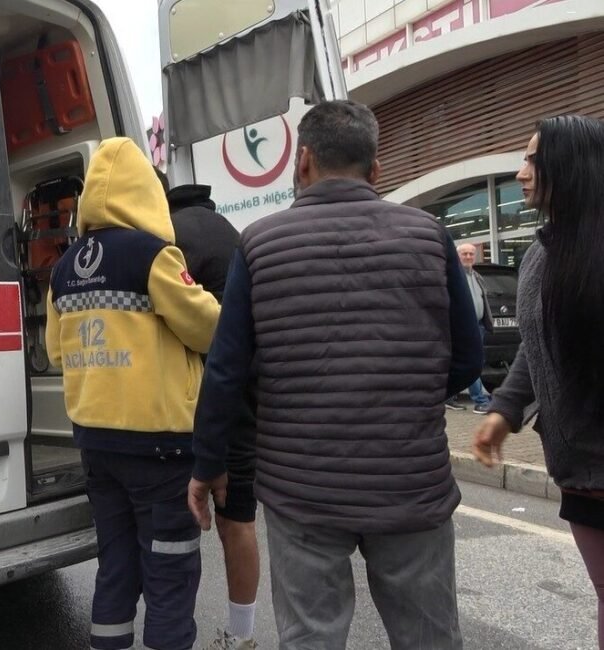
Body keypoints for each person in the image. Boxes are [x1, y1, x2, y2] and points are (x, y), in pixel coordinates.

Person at [189, 100, 483, 649]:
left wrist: (208, 465)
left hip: (302, 489)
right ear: (375, 170)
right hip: (410, 484)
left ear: (302, 162)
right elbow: (467, 357)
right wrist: (403, 394)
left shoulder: (260, 244)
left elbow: (227, 372)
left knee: (310, 637)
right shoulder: (428, 235)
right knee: (429, 639)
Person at [45, 137, 220, 650]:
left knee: (116, 569)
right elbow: (207, 327)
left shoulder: (63, 268)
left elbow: (56, 355)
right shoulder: (154, 256)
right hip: (160, 448)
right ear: (145, 192)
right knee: (169, 572)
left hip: (96, 445)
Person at [473, 115, 604, 649]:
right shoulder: (540, 256)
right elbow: (537, 341)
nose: (521, 173)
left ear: (569, 168)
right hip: (579, 471)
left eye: (532, 159)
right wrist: (503, 412)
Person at [158, 171, 260, 650]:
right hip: (248, 390)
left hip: (201, 389)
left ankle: (172, 627)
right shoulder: (230, 232)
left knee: (185, 510)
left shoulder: (167, 236)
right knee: (236, 516)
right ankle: (240, 635)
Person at [445, 242, 494, 414]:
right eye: (464, 254)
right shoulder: (454, 276)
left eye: (471, 254)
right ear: (457, 256)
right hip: (462, 326)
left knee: (474, 362)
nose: (468, 257)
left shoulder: (477, 276)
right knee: (473, 362)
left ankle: (449, 398)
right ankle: (480, 400)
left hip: (478, 325)